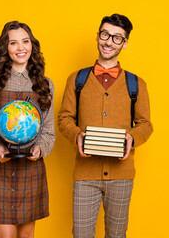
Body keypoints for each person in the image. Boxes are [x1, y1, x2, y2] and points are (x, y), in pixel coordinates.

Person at [58, 14, 153, 238]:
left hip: (122, 176)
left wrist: (132, 137)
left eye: (117, 38)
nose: (109, 42)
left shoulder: (136, 84)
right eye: (105, 34)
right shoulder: (76, 79)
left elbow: (146, 124)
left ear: (125, 43)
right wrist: (76, 135)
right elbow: (64, 118)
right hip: (84, 175)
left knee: (117, 235)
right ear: (98, 35)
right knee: (81, 234)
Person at [0, 21, 55, 238]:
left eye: (25, 41)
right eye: (13, 42)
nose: (21, 48)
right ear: (5, 48)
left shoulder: (45, 84)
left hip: (30, 167)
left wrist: (40, 149)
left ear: (32, 45)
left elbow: (48, 132)